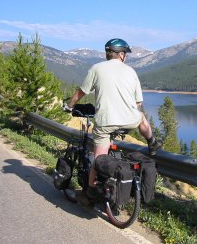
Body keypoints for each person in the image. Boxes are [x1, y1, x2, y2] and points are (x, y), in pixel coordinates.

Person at [64, 38, 162, 200]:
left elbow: (81, 92)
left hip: (106, 122)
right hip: (131, 120)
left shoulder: (96, 68)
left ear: (108, 54)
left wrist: (69, 106)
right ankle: (152, 142)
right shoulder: (131, 71)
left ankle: (89, 192)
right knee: (141, 118)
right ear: (122, 55)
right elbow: (139, 103)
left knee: (99, 157)